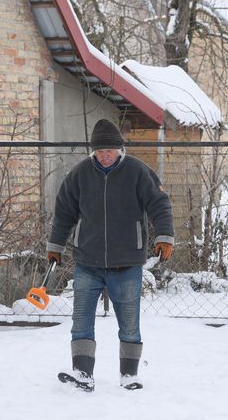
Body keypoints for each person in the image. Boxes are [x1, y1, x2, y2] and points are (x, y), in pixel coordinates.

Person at [47, 119, 174, 392]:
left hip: (127, 262)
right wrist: (55, 245)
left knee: (129, 323)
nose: (105, 154)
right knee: (81, 320)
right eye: (100, 150)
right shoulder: (79, 174)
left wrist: (164, 236)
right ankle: (82, 373)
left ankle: (129, 375)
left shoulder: (138, 172)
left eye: (111, 150)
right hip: (87, 262)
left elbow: (159, 204)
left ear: (120, 149)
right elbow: (64, 213)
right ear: (93, 151)